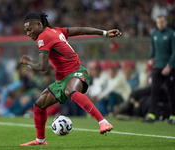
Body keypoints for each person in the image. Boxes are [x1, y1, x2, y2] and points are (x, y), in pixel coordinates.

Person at [19, 11, 122, 146]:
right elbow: (80, 30)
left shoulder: (43, 37)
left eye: (30, 29)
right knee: (39, 105)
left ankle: (103, 122)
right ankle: (40, 140)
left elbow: (42, 67)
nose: (28, 33)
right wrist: (104, 33)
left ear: (39, 24)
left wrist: (28, 61)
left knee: (70, 91)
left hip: (76, 72)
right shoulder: (56, 31)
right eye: (26, 30)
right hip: (62, 79)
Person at [145, 15, 175, 124]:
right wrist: (150, 59)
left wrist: (169, 65)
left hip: (168, 67)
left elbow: (174, 51)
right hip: (157, 66)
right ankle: (151, 114)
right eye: (158, 22)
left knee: (171, 92)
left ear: (166, 22)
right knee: (154, 90)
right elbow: (154, 50)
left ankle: (173, 115)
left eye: (162, 22)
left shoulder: (171, 34)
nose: (160, 24)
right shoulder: (155, 34)